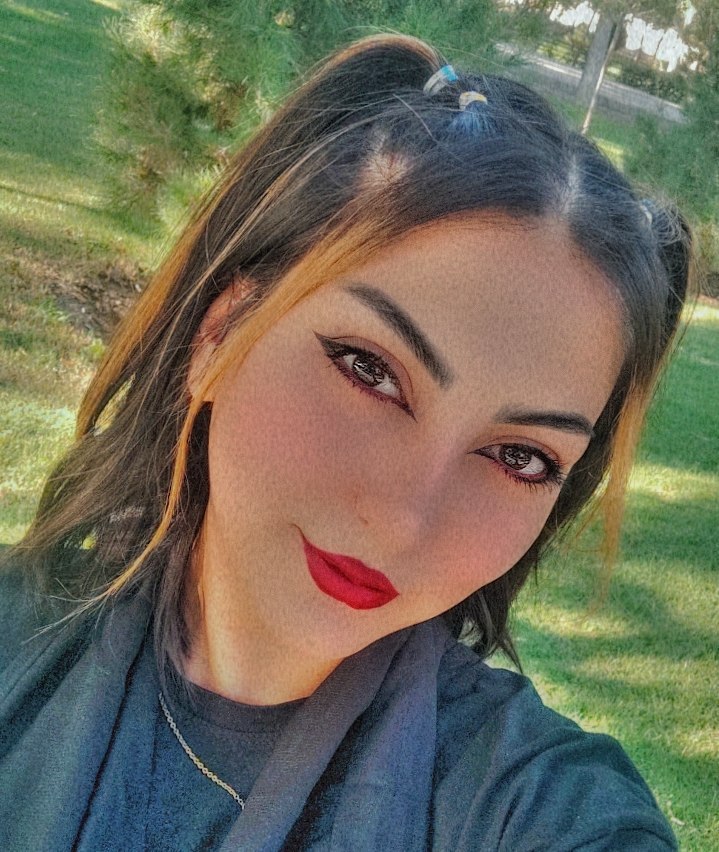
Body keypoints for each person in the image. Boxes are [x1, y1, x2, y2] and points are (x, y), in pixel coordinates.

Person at [0, 33, 690, 851]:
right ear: (219, 335)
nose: (401, 521)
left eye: (519, 457)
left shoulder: (532, 808)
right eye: (369, 369)